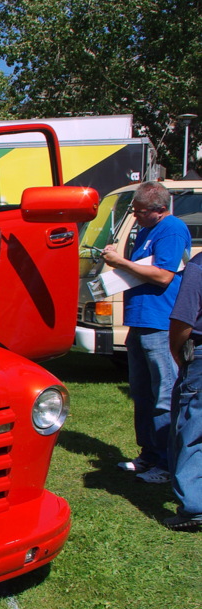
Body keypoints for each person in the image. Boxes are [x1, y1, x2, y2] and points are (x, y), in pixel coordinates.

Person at [103, 181, 191, 483]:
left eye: (140, 213)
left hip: (161, 323)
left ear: (159, 210)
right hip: (140, 321)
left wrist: (121, 262)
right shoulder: (146, 230)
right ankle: (148, 455)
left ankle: (167, 464)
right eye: (135, 212)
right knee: (141, 393)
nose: (136, 218)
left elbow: (164, 275)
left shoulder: (173, 229)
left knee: (163, 394)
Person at [165, 253, 202, 529]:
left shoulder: (199, 266)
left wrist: (177, 352)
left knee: (191, 430)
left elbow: (183, 319)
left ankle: (193, 507)